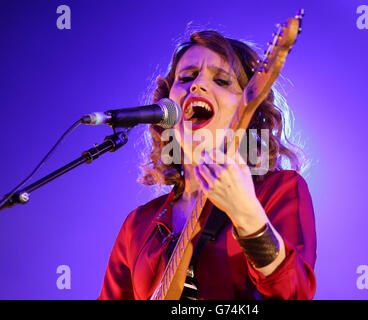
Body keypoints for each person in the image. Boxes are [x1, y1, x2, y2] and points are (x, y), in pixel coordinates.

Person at [98, 30, 316, 300]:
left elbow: (294, 294)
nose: (197, 85)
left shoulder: (280, 190)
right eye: (186, 77)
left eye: (222, 80)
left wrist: (247, 214)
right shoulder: (137, 226)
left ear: (247, 108)